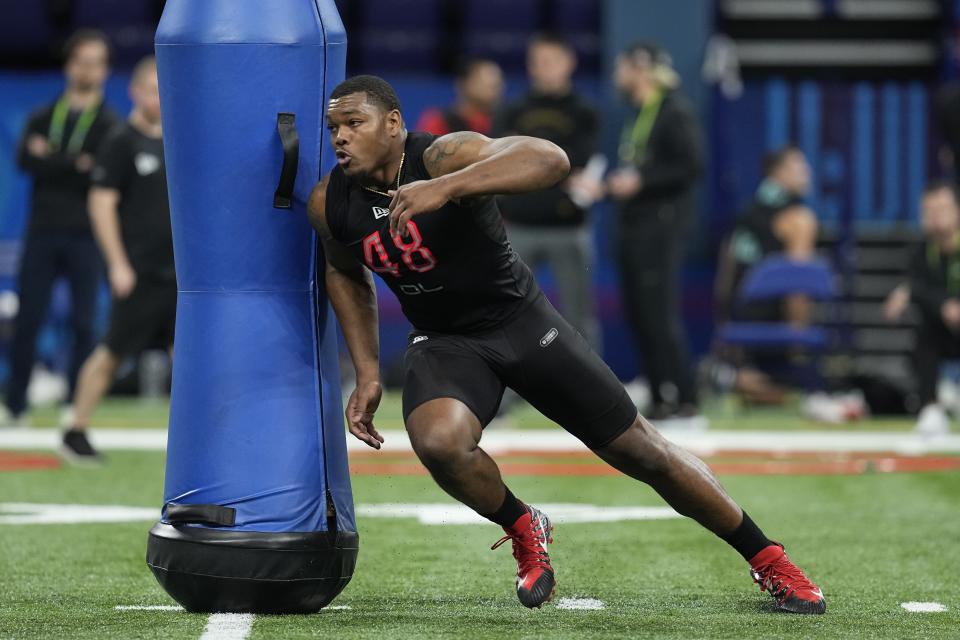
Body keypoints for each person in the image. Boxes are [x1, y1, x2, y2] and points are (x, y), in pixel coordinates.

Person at [308, 74, 825, 614]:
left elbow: (551, 160)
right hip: (445, 341)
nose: (340, 138)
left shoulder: (442, 156)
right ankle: (523, 525)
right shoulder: (329, 202)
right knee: (437, 442)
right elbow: (345, 275)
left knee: (644, 452)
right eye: (332, 128)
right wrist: (368, 372)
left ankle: (769, 559)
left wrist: (449, 186)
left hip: (520, 322)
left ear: (394, 124)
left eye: (353, 123)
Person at [2, 30, 120, 426]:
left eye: (97, 62)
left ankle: (75, 403)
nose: (89, 69)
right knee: (29, 318)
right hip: (42, 231)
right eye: (82, 61)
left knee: (85, 322)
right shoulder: (41, 115)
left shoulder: (109, 124)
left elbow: (100, 172)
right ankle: (16, 404)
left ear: (105, 70)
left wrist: (53, 159)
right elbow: (25, 161)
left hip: (87, 235)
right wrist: (76, 164)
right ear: (70, 66)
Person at [60, 57, 174, 462]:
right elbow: (101, 204)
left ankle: (203, 440)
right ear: (135, 92)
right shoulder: (120, 141)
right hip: (139, 271)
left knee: (189, 355)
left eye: (165, 90)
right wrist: (118, 264)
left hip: (179, 274)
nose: (159, 99)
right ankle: (75, 431)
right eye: (152, 90)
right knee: (112, 351)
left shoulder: (179, 141)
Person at [604, 42, 702, 423]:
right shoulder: (643, 112)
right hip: (638, 226)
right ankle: (662, 394)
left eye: (621, 67)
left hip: (659, 228)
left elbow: (692, 166)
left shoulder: (674, 111)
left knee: (659, 313)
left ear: (640, 68)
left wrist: (640, 181)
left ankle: (684, 396)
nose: (617, 76)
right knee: (641, 313)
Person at [493, 33, 601, 347]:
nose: (543, 68)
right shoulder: (512, 109)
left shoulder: (584, 112)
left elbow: (577, 160)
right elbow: (497, 158)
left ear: (569, 63)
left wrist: (526, 157)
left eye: (551, 60)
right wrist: (551, 166)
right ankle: (507, 391)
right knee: (509, 312)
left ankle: (589, 394)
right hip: (518, 227)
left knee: (580, 316)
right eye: (537, 61)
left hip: (569, 229)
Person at [883, 181, 960, 436]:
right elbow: (915, 287)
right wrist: (943, 305)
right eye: (928, 211)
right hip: (943, 331)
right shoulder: (921, 250)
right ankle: (931, 408)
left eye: (942, 210)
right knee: (923, 331)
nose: (935, 218)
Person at [415, 58, 503, 137]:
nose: (494, 89)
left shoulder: (504, 121)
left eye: (497, 84)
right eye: (486, 84)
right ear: (463, 84)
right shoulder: (438, 121)